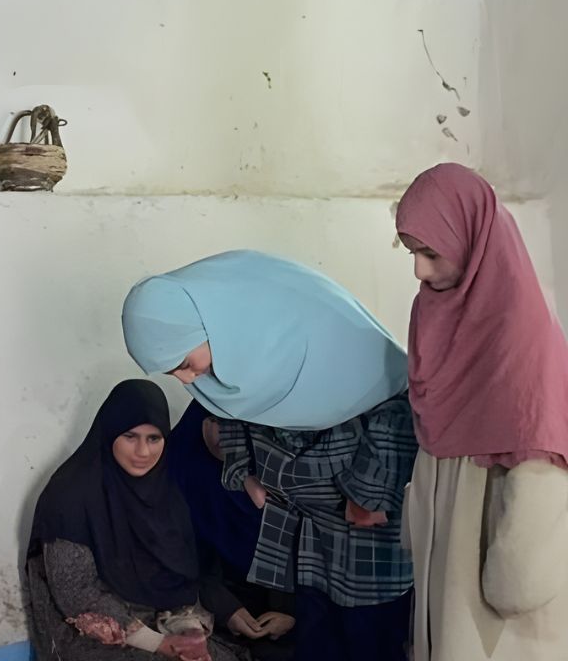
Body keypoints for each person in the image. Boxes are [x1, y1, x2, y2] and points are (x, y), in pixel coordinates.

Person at [123, 250, 417, 661]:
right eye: (174, 373)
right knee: (317, 639)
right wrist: (245, 472)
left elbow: (396, 405)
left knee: (370, 636)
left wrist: (368, 496)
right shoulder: (231, 362)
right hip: (304, 533)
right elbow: (231, 414)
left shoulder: (324, 336)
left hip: (362, 526)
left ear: (213, 324)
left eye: (185, 363)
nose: (187, 379)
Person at [395, 163, 568, 661]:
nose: (419, 271)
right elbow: (434, 434)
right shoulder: (433, 311)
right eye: (411, 253)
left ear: (471, 239)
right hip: (445, 550)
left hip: (494, 574)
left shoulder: (520, 331)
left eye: (431, 252)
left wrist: (513, 581)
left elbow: (541, 458)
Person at [26, 379, 257, 661]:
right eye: (130, 437)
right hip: (91, 632)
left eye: (154, 438)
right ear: (110, 432)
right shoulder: (70, 495)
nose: (143, 452)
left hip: (163, 621)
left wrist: (188, 628)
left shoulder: (168, 490)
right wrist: (157, 643)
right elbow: (76, 593)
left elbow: (185, 578)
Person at [167, 401, 295, 661]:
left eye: (239, 426)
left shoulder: (269, 466)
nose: (226, 435)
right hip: (210, 608)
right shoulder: (177, 471)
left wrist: (291, 613)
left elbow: (299, 546)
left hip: (280, 609)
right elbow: (176, 560)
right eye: (216, 421)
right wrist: (225, 608)